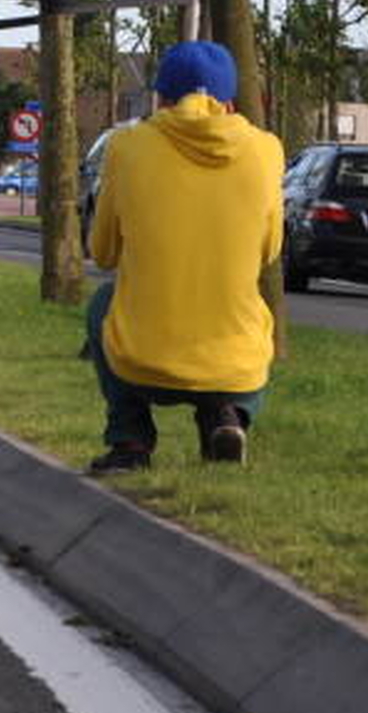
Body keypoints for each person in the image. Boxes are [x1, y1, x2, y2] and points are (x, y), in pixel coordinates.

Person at [82, 41, 285, 473]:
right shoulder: (266, 150)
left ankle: (130, 441)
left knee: (102, 305)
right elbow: (270, 251)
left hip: (142, 359)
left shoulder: (127, 147)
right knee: (256, 317)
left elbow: (101, 253)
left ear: (161, 97)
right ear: (229, 102)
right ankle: (229, 415)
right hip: (231, 361)